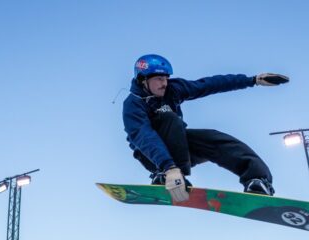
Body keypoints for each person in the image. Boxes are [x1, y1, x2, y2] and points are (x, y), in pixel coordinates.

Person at [122, 54, 289, 202]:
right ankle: (167, 176)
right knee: (170, 119)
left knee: (214, 138)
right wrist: (169, 168)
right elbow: (144, 136)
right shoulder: (133, 104)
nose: (164, 84)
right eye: (159, 79)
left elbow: (209, 84)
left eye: (166, 78)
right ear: (143, 80)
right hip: (152, 156)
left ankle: (257, 181)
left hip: (178, 146)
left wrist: (253, 80)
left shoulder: (173, 89)